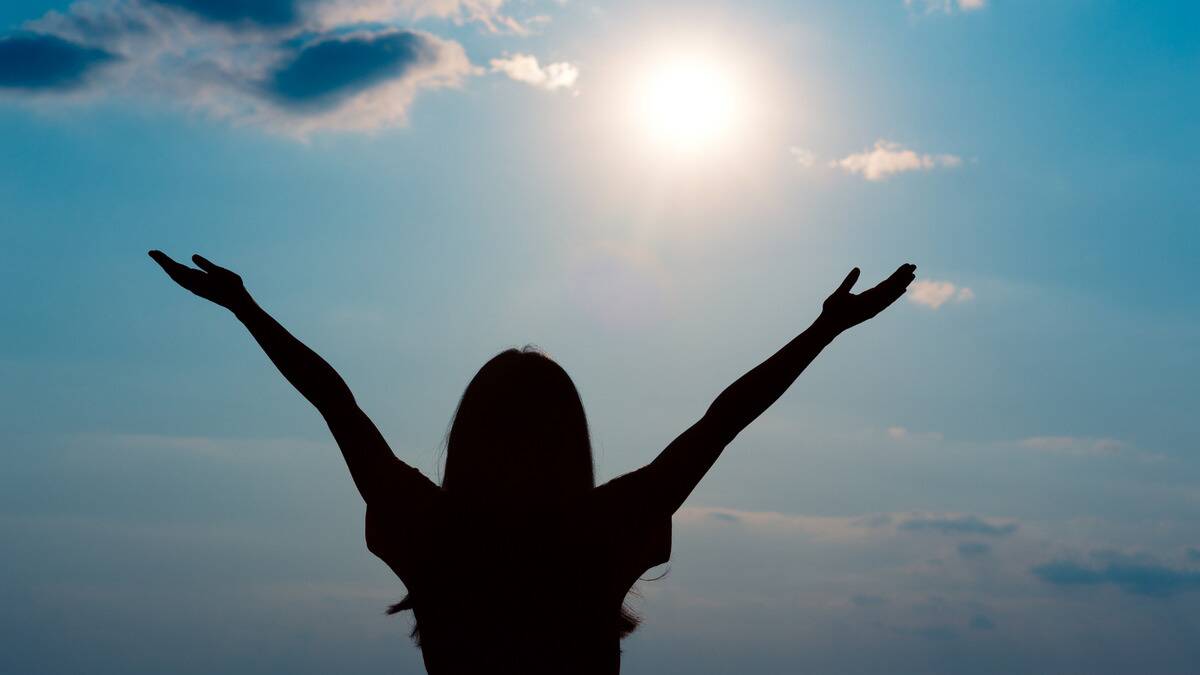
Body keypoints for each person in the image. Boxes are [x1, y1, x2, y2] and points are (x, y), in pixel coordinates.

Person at [149, 250, 916, 675]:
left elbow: (337, 406)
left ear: (469, 438)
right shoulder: (601, 531)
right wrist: (825, 330)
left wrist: (248, 310)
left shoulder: (433, 532)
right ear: (570, 442)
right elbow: (723, 421)